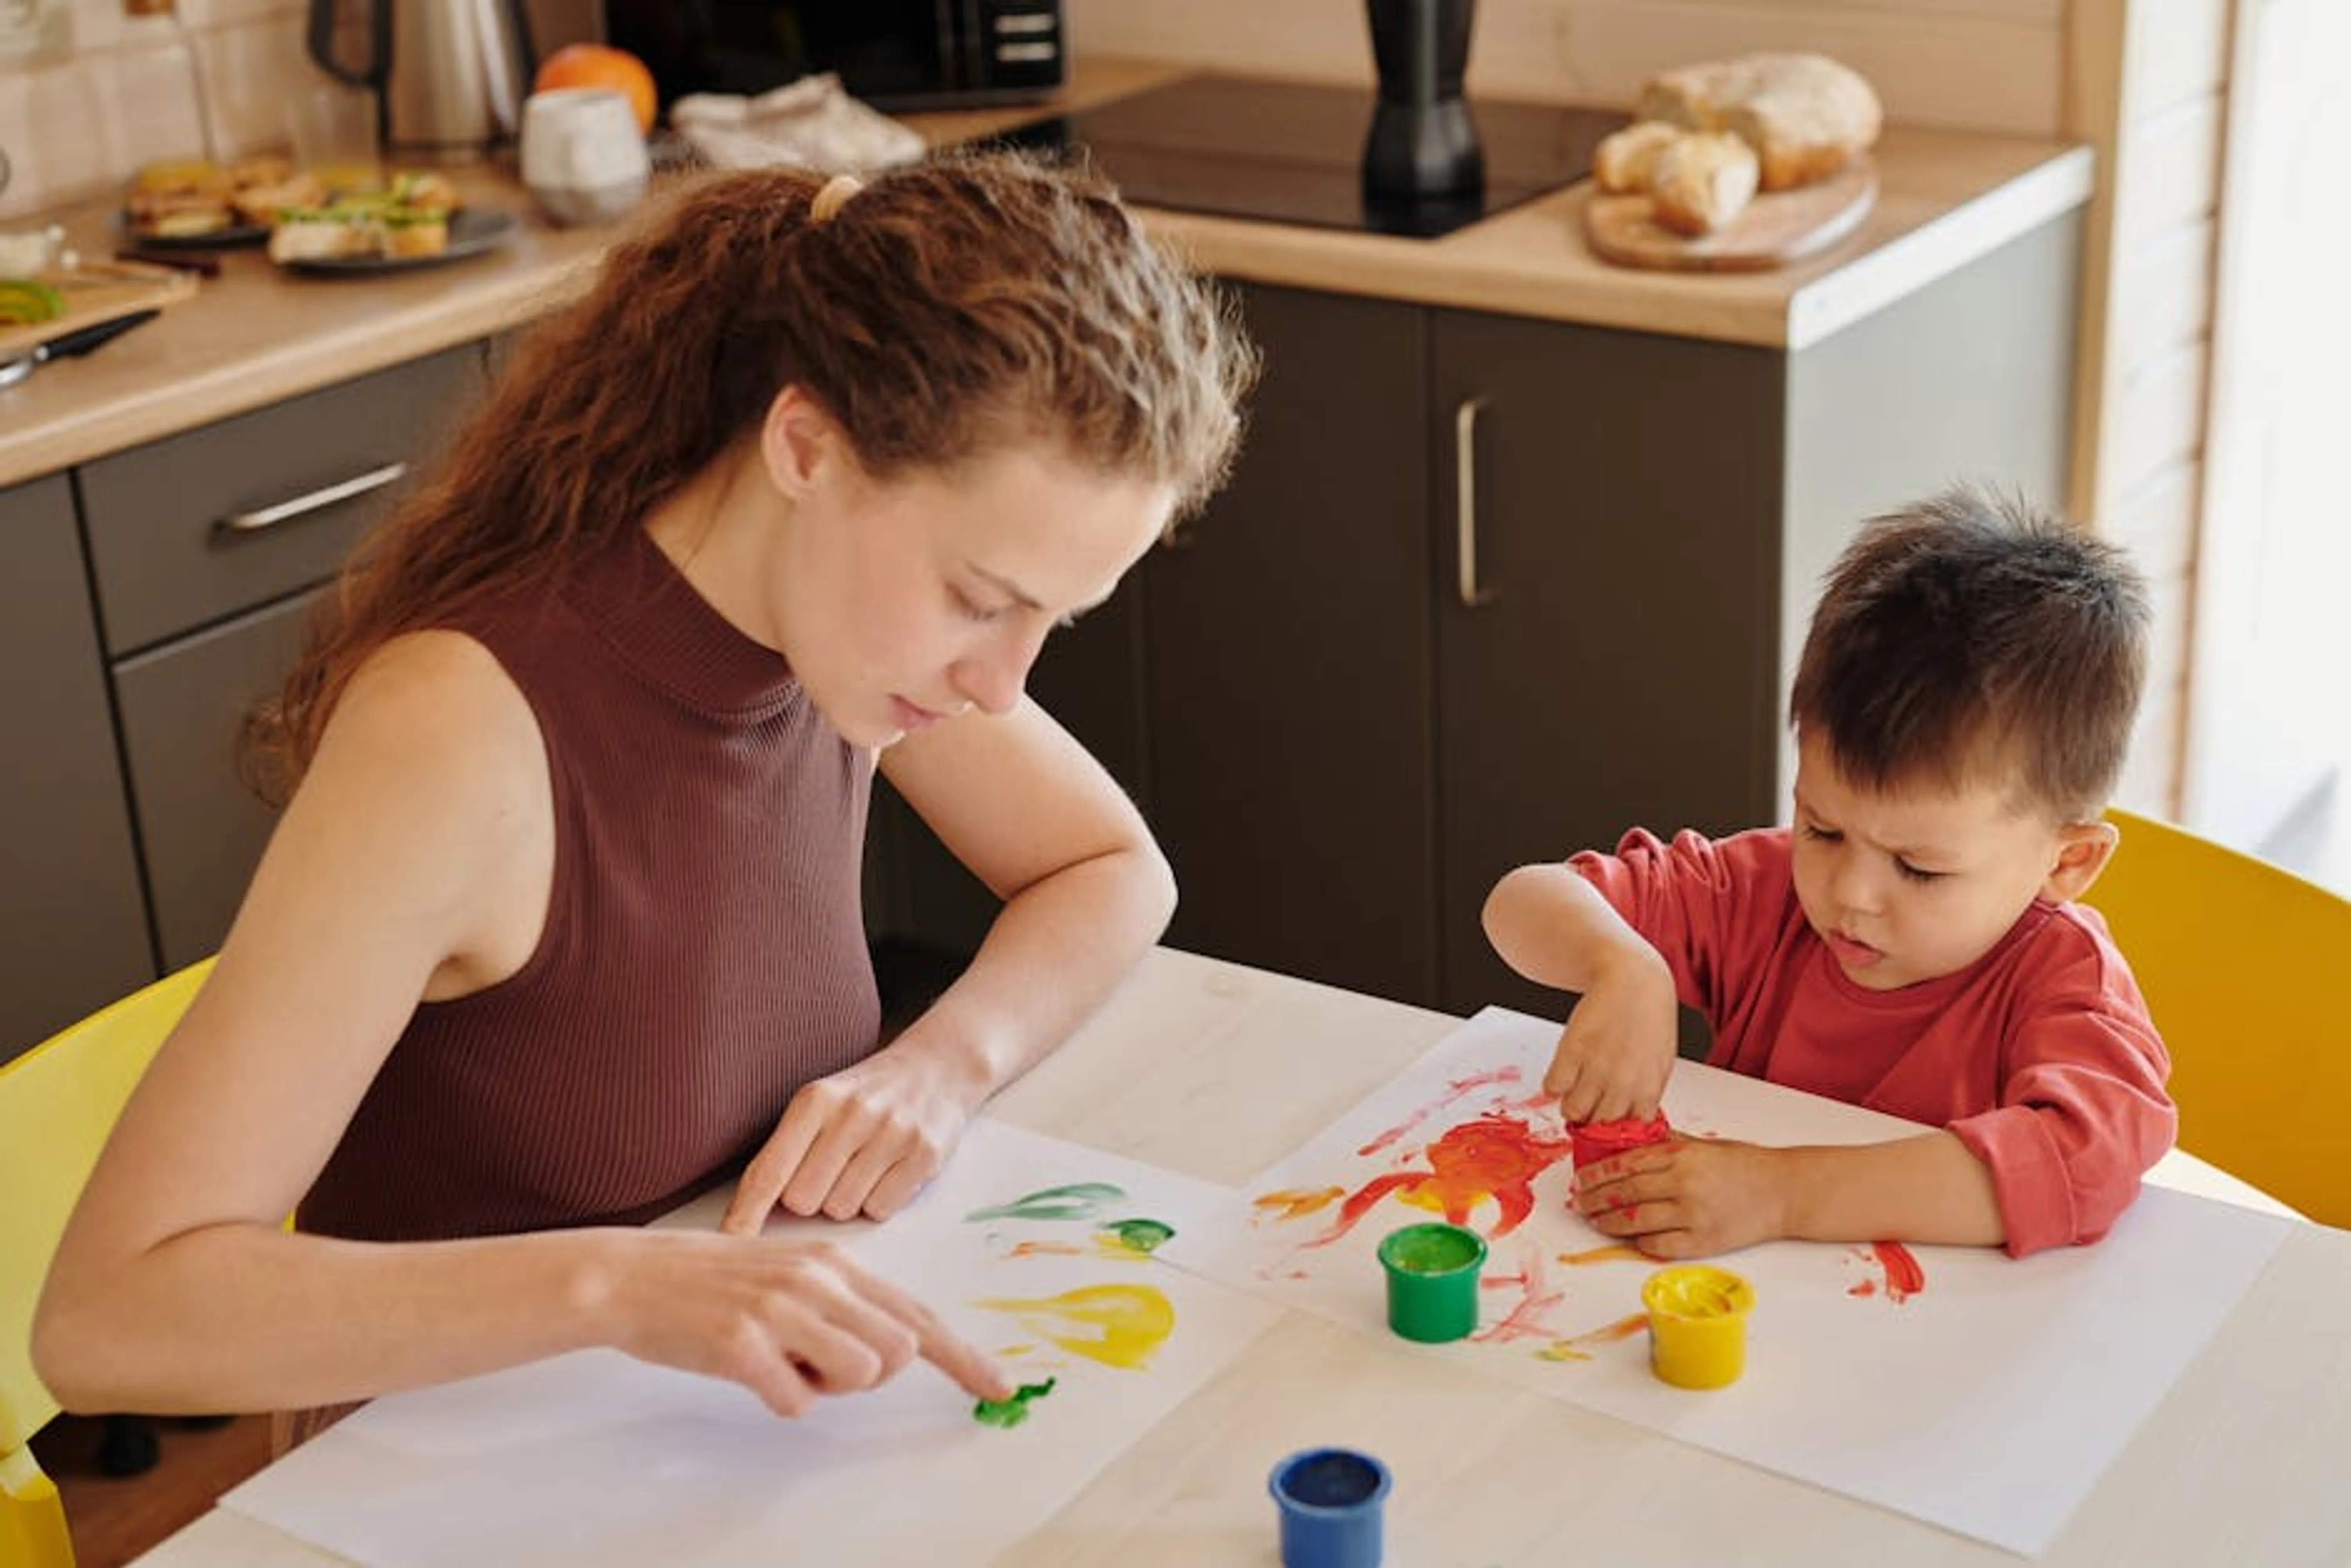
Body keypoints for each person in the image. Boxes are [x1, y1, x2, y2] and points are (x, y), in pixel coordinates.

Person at [35, 154, 1256, 1429]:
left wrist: (941, 1067)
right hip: (444, 1482)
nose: (1003, 682)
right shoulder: (464, 733)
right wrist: (616, 1282)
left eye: (1051, 619)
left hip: (700, 1440)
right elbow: (110, 1319)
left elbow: (1111, 870)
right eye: (981, 597)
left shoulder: (838, 646)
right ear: (805, 448)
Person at [1482, 487, 2175, 1260]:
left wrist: (1782, 1193)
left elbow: (2086, 1165)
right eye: (1822, 827)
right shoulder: (1765, 893)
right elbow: (1523, 901)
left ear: (2067, 860)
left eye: (1918, 868)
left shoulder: (2061, 980)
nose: (1849, 893)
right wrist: (1621, 963)